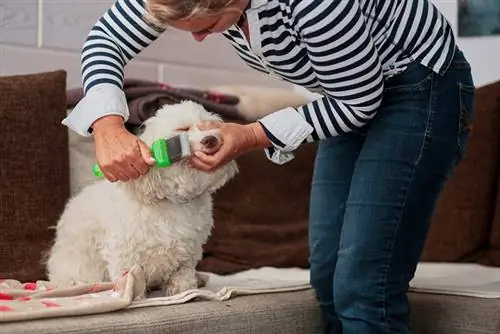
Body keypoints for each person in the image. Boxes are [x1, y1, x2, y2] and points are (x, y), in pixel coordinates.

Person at [63, 0, 475, 332]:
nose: (204, 38)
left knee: (366, 285)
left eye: (209, 24)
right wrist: (107, 125)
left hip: (417, 87)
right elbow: (106, 39)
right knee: (329, 280)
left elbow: (358, 102)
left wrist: (249, 135)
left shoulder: (316, 5)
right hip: (345, 92)